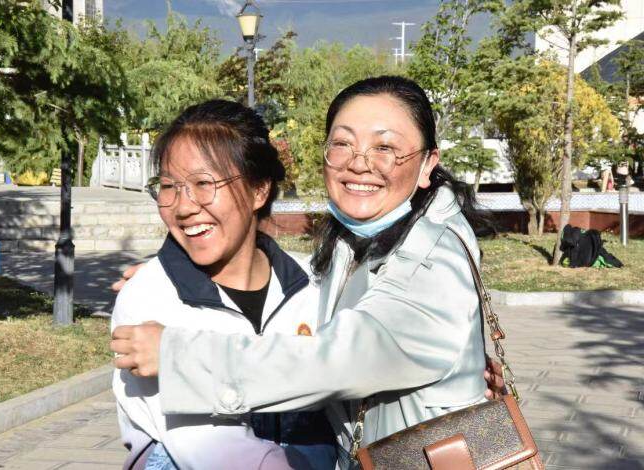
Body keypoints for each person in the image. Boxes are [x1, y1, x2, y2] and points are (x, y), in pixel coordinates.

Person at [112, 76, 507, 468]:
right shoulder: (340, 256)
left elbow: (335, 362)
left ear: (427, 164)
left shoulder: (431, 258)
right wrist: (164, 275)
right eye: (343, 144)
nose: (359, 163)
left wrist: (178, 356)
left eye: (385, 147)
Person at [111, 99, 337, 470]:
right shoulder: (148, 299)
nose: (183, 207)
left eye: (203, 184)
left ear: (258, 190)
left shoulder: (312, 286)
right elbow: (208, 448)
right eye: (168, 186)